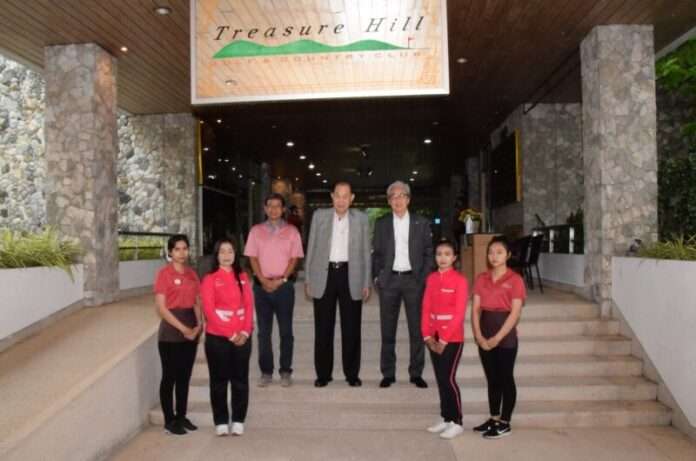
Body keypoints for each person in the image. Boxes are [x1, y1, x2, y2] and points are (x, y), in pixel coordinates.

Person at [305, 181, 371, 387]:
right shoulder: (319, 216)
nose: (341, 200)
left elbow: (366, 252)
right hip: (324, 275)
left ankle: (352, 374)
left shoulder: (361, 219)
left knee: (352, 328)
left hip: (351, 274)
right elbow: (311, 247)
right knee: (323, 328)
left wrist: (366, 281)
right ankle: (323, 374)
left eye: (345, 196)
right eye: (338, 195)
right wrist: (308, 278)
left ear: (352, 198)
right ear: (332, 197)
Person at [373, 180, 434, 388]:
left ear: (408, 199)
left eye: (401, 196)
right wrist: (378, 277)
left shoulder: (421, 223)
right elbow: (376, 253)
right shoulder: (381, 223)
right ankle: (388, 373)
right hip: (389, 281)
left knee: (416, 330)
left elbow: (429, 252)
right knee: (387, 330)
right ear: (389, 201)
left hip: (413, 281)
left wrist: (423, 278)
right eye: (393, 197)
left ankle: (416, 373)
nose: (397, 200)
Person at [244, 193, 304, 387]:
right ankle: (266, 372)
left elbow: (294, 259)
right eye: (270, 206)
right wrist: (262, 280)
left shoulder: (292, 231)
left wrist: (283, 279)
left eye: (278, 206)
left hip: (284, 287)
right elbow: (252, 258)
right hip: (261, 288)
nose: (274, 209)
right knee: (264, 332)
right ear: (265, 208)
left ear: (283, 209)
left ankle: (285, 371)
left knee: (286, 331)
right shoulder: (256, 231)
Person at [471, 236, 526, 439]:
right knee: (492, 379)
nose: (494, 256)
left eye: (499, 252)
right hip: (484, 334)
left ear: (508, 255)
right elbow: (475, 309)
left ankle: (505, 422)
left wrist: (497, 338)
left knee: (505, 378)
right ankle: (494, 418)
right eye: (491, 252)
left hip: (505, 337)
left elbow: (515, 313)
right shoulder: (481, 278)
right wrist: (478, 335)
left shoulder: (515, 280)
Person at [201, 238, 254, 437]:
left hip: (242, 337)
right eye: (222, 251)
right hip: (218, 338)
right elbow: (209, 311)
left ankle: (239, 419)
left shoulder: (242, 276)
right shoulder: (209, 279)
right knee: (219, 381)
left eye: (230, 251)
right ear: (216, 255)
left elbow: (249, 306)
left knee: (240, 380)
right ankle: (221, 421)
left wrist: (245, 332)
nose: (226, 255)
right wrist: (230, 334)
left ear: (235, 254)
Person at [153, 234, 202, 435]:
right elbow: (161, 308)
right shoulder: (164, 274)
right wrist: (184, 329)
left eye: (185, 248)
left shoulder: (192, 274)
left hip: (191, 330)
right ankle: (169, 420)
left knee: (184, 377)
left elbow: (197, 302)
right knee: (170, 377)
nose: (182, 253)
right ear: (170, 252)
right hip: (171, 333)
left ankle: (181, 416)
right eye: (177, 249)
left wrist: (199, 325)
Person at [421, 239, 469, 440]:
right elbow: (426, 308)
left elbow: (459, 314)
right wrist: (427, 336)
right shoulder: (431, 278)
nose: (443, 258)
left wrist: (444, 340)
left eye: (447, 254)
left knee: (448, 379)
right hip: (433, 337)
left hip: (452, 338)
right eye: (439, 254)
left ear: (454, 257)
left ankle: (457, 421)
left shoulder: (460, 280)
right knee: (441, 379)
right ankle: (446, 417)